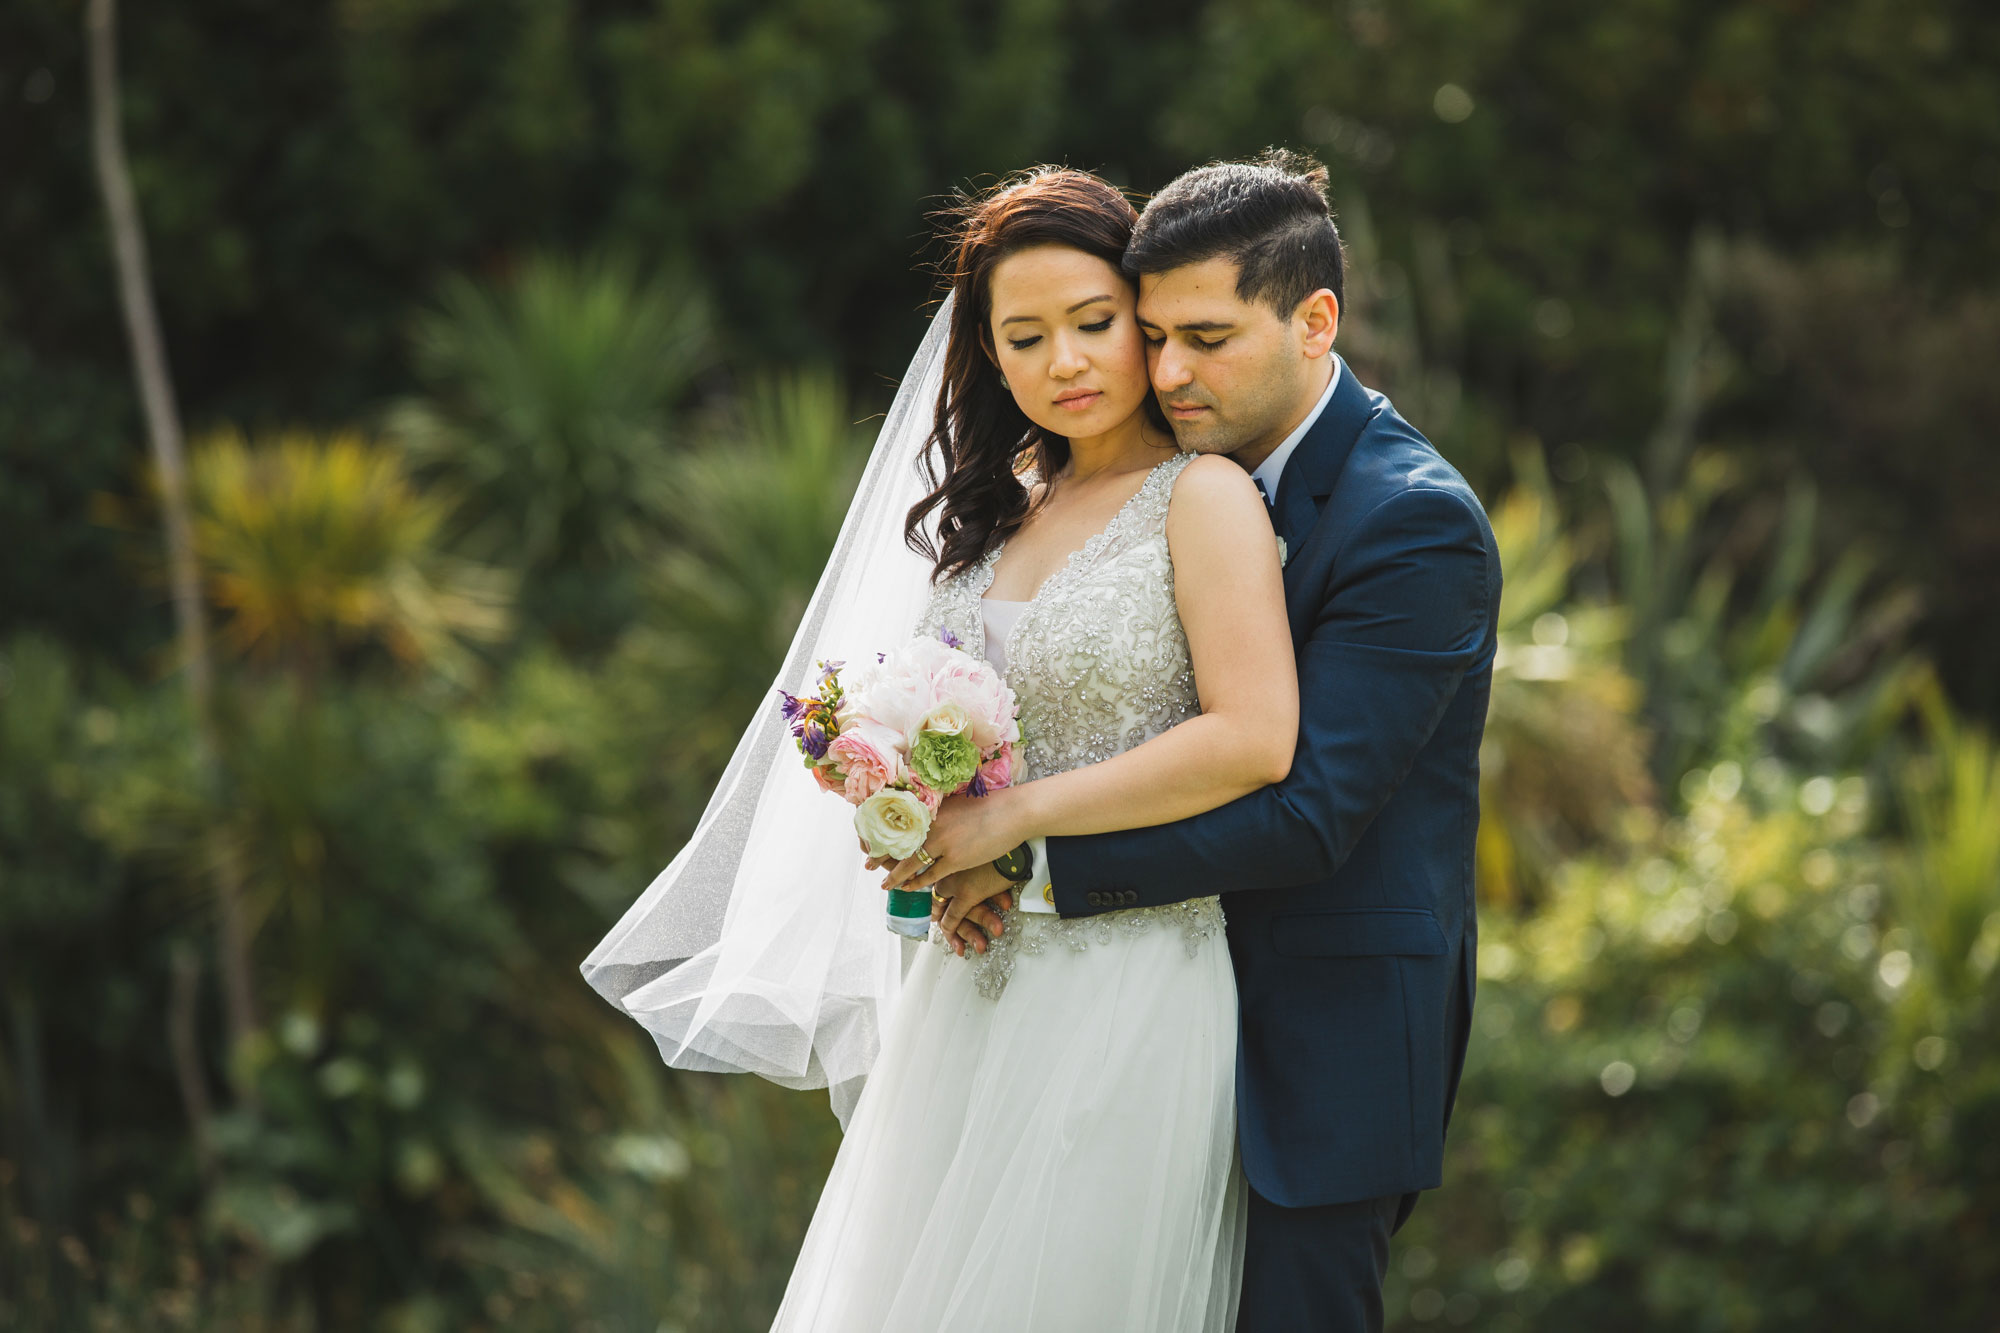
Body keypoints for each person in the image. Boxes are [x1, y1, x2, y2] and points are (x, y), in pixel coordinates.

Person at [890, 151, 1503, 1333]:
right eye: (1152, 332)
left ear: (1314, 320)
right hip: (1074, 1017)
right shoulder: (1116, 485)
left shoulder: (1411, 521)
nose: (1167, 371)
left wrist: (1015, 859)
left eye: (1206, 339)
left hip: (1311, 1052)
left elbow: (1308, 810)